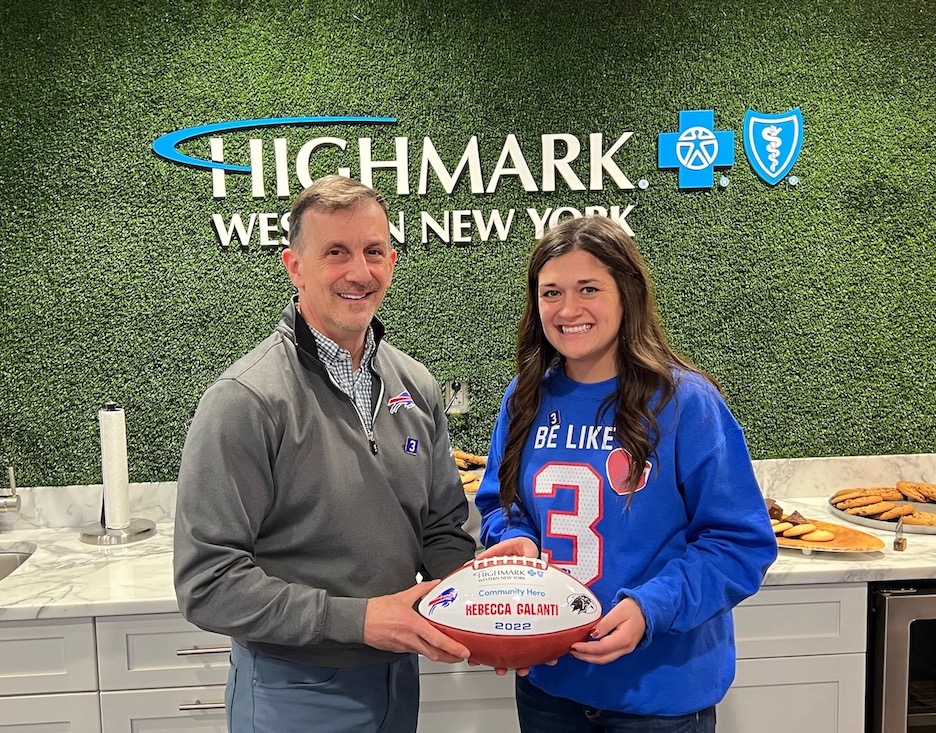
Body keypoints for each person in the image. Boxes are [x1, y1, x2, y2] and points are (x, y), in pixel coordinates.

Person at [173, 175, 477, 733]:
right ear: (294, 266)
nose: (359, 272)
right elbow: (208, 583)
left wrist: (483, 599)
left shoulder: (416, 385)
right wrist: (358, 620)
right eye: (336, 252)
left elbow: (442, 528)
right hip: (293, 689)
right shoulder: (245, 400)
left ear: (391, 261)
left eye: (374, 251)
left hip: (397, 678)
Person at [475, 215, 777, 732]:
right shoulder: (523, 397)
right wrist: (517, 540)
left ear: (627, 293)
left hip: (659, 697)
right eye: (551, 293)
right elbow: (503, 505)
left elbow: (738, 543)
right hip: (549, 685)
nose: (568, 309)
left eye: (588, 289)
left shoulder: (685, 402)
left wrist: (650, 608)